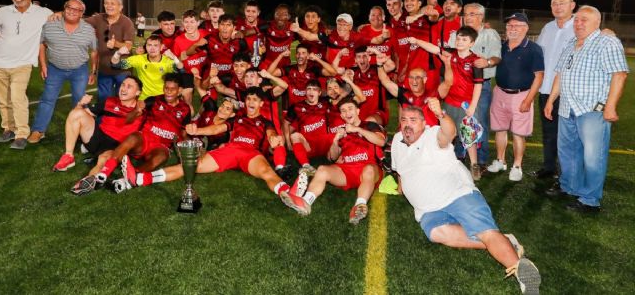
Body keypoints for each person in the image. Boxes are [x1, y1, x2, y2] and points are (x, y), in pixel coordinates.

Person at [390, 102, 541, 294]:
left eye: (413, 120)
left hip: (457, 194)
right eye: (404, 120)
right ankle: (505, 241)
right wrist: (402, 184)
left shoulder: (432, 134)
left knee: (484, 232)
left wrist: (441, 114)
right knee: (437, 233)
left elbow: (449, 132)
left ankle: (522, 274)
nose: (407, 125)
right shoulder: (396, 141)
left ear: (423, 123)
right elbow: (400, 169)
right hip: (428, 209)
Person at [116, 87, 304, 213]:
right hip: (230, 150)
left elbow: (271, 133)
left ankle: (289, 195)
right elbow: (217, 129)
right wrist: (197, 130)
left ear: (261, 103)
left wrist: (274, 139)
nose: (250, 102)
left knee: (266, 173)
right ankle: (139, 179)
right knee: (188, 166)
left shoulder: (265, 121)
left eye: (254, 100)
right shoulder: (236, 118)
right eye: (248, 99)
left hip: (251, 153)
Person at [544, 5, 628, 212]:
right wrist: (551, 100)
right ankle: (569, 187)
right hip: (567, 108)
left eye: (585, 20)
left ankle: (590, 200)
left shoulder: (607, 42)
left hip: (591, 109)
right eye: (578, 20)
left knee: (593, 157)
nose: (579, 23)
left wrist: (610, 107)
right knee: (568, 152)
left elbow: (619, 74)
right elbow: (560, 74)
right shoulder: (572, 42)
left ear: (597, 22)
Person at [72, 73, 192, 195]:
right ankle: (104, 173)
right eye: (166, 88)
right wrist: (136, 110)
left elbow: (183, 133)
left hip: (161, 146)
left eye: (172, 89)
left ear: (180, 90)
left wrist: (187, 150)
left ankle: (130, 178)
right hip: (144, 139)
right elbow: (128, 119)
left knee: (162, 157)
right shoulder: (154, 100)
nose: (168, 92)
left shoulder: (185, 110)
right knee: (133, 137)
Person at [286, 97, 387, 225]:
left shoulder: (370, 125)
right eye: (343, 111)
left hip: (370, 168)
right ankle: (306, 202)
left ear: (358, 111)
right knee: (322, 170)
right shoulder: (342, 132)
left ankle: (359, 206)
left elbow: (381, 142)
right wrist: (335, 141)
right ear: (341, 115)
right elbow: (333, 158)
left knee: (368, 171)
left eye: (350, 109)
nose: (347, 113)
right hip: (348, 170)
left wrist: (358, 130)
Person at [409, 26, 484, 180]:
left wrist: (473, 106)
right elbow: (433, 48)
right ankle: (447, 161)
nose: (460, 42)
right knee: (449, 133)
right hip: (449, 102)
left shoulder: (475, 61)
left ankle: (474, 164)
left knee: (468, 135)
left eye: (464, 39)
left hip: (466, 105)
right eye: (458, 38)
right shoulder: (451, 53)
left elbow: (478, 85)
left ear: (472, 43)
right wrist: (417, 41)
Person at [28, 0, 98, 144]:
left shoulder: (88, 30)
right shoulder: (50, 25)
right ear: (64, 8)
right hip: (55, 69)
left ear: (82, 13)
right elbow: (42, 45)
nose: (72, 11)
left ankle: (81, 131)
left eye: (77, 9)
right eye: (69, 7)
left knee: (79, 101)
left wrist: (93, 71)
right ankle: (38, 130)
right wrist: (43, 65)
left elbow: (94, 51)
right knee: (47, 99)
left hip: (79, 70)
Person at [0, 0, 54, 149]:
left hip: (22, 63)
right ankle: (8, 129)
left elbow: (60, 18)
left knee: (17, 98)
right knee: (3, 101)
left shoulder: (42, 12)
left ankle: (21, 134)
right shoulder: (2, 11)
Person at [487, 13, 544, 182]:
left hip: (522, 95)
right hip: (500, 92)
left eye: (517, 25)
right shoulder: (501, 46)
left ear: (525, 28)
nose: (512, 28)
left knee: (519, 133)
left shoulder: (534, 49)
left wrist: (528, 100)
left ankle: (517, 166)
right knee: (500, 129)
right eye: (509, 25)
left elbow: (539, 76)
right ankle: (500, 160)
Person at [447, 3, 502, 167]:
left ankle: (481, 159)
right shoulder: (457, 34)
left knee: (479, 122)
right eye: (466, 14)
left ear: (481, 17)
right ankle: (459, 155)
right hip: (457, 86)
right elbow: (448, 54)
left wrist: (488, 61)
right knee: (457, 121)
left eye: (472, 14)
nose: (468, 17)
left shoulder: (490, 34)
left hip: (480, 85)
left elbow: (497, 57)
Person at [52, 76, 144, 172]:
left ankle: (88, 182)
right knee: (76, 113)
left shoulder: (143, 110)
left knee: (103, 164)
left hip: (116, 148)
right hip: (96, 140)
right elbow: (82, 114)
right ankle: (68, 156)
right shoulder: (110, 101)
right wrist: (80, 104)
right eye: (123, 84)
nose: (123, 88)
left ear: (138, 92)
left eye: (129, 86)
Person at [534, 0, 576, 179]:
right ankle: (549, 167)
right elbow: (539, 54)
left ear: (572, 5)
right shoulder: (548, 28)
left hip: (568, 92)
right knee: (549, 132)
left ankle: (566, 174)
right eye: (554, 4)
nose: (558, 7)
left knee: (567, 135)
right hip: (545, 89)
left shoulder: (579, 26)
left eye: (562, 3)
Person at [85, 0, 135, 103]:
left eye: (113, 3)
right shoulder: (98, 18)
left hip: (122, 71)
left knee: (121, 100)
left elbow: (129, 45)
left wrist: (116, 44)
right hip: (104, 70)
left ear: (120, 7)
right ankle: (102, 120)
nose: (109, 6)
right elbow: (79, 21)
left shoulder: (127, 22)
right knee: (103, 101)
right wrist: (61, 14)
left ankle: (119, 120)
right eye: (106, 3)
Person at [110, 35, 184, 99]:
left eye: (155, 45)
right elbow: (115, 65)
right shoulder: (139, 59)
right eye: (149, 45)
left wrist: (174, 58)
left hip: (162, 98)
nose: (152, 48)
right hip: (143, 98)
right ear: (146, 47)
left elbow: (181, 71)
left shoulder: (167, 61)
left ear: (161, 47)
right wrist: (118, 53)